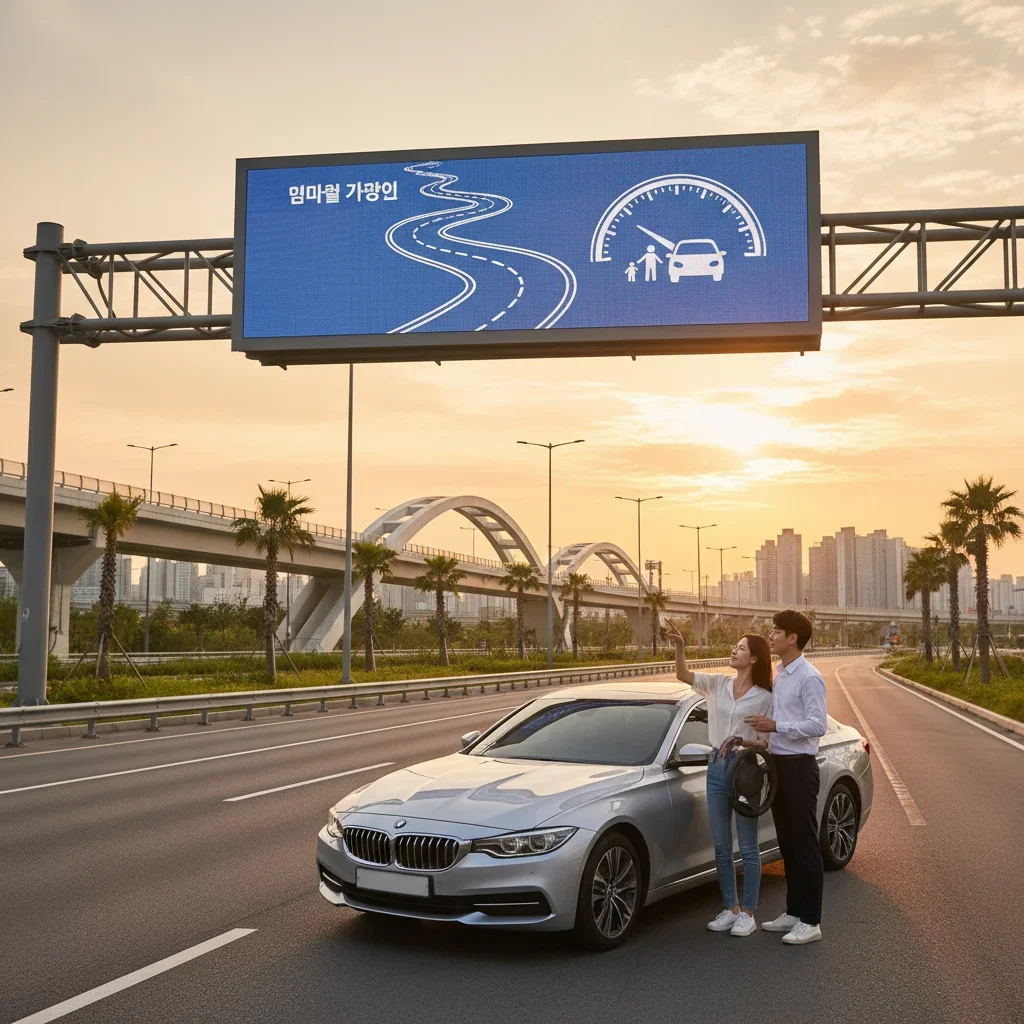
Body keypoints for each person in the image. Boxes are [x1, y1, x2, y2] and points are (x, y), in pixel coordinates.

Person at [666, 621, 773, 937]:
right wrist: (680, 648)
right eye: (735, 646)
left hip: (746, 771)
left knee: (748, 845)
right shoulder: (718, 684)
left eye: (740, 648)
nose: (733, 650)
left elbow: (769, 742)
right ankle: (731, 908)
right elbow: (684, 676)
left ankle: (749, 913)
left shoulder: (765, 696)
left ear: (753, 658)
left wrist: (746, 741)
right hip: (716, 768)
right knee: (722, 845)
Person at [744, 609, 828, 945]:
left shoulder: (809, 677)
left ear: (792, 638)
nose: (772, 635)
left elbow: (817, 724)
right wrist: (761, 739)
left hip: (800, 767)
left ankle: (811, 920)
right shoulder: (781, 673)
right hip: (778, 765)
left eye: (777, 631)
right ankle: (794, 912)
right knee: (788, 844)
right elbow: (777, 721)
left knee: (805, 845)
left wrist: (777, 726)